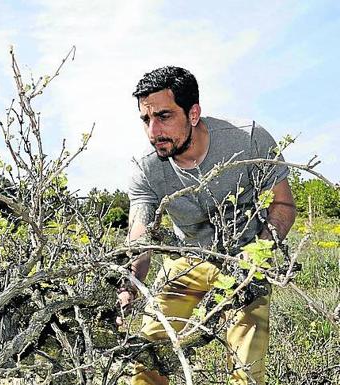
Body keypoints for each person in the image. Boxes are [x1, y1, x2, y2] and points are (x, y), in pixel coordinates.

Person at [119, 66, 296, 385]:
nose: (153, 131)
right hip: (187, 263)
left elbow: (283, 205)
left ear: (194, 113)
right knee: (147, 355)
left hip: (247, 261)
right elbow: (140, 237)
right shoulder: (146, 169)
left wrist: (259, 256)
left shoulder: (249, 139)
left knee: (247, 370)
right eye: (146, 120)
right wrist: (128, 283)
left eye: (164, 116)